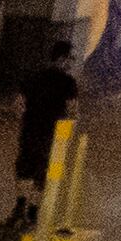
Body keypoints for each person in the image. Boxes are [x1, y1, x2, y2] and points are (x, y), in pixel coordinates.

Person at [12, 34, 80, 224]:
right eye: (70, 59)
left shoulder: (33, 76)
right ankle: (33, 211)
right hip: (52, 132)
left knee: (24, 167)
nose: (71, 63)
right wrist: (67, 136)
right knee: (44, 172)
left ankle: (20, 204)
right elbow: (72, 111)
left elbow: (18, 104)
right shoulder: (68, 83)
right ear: (62, 58)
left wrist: (24, 121)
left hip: (30, 129)